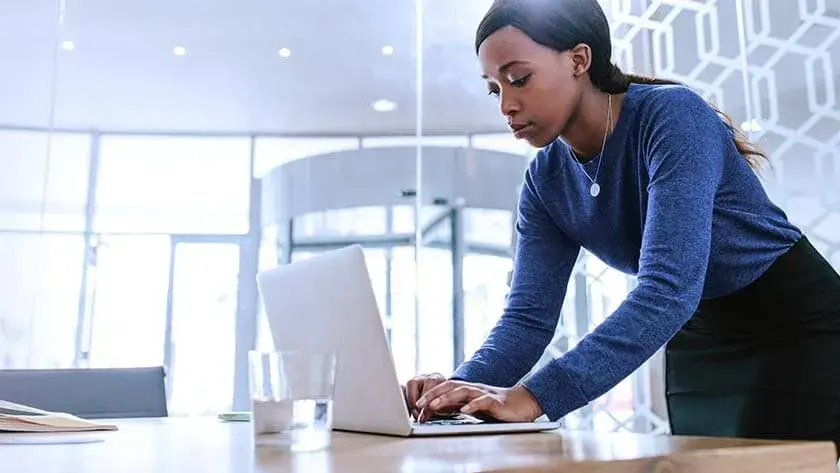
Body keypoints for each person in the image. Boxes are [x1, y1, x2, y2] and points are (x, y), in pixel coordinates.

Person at [404, 0, 840, 453]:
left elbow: (668, 289)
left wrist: (535, 397)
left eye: (519, 79)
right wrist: (452, 392)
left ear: (579, 59)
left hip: (795, 324)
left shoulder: (672, 117)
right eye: (495, 90)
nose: (507, 106)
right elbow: (528, 319)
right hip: (700, 334)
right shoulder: (545, 181)